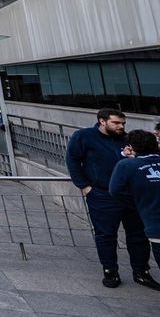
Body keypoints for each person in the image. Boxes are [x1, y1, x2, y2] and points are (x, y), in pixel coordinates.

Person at [65, 108, 157, 288]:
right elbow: (72, 160)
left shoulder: (127, 138)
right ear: (102, 121)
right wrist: (85, 187)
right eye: (116, 123)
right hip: (102, 195)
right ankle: (110, 271)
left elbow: (142, 160)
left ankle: (141, 272)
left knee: (138, 235)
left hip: (130, 197)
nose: (120, 126)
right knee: (106, 235)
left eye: (123, 123)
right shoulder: (84, 136)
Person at [110, 129, 160, 280]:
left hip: (155, 225)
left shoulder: (126, 166)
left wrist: (137, 203)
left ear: (131, 147)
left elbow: (115, 190)